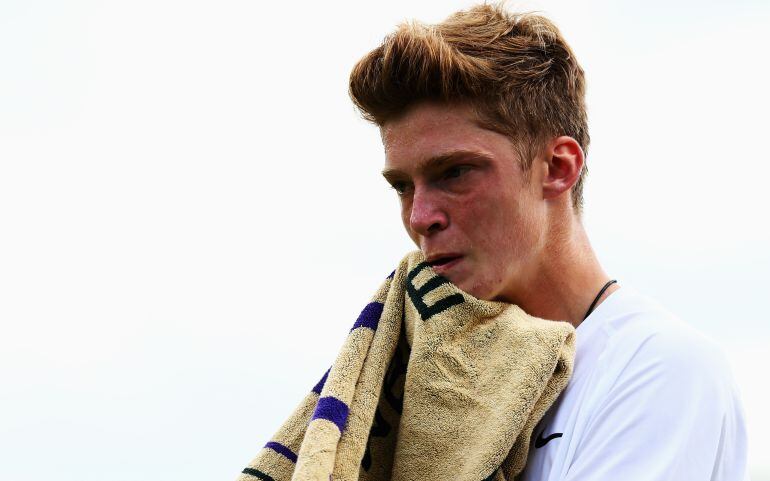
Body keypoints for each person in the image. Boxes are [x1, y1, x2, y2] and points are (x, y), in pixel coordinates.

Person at [346, 3, 749, 480]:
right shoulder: (428, 387)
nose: (420, 217)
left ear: (557, 168)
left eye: (453, 172)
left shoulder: (659, 368)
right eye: (402, 186)